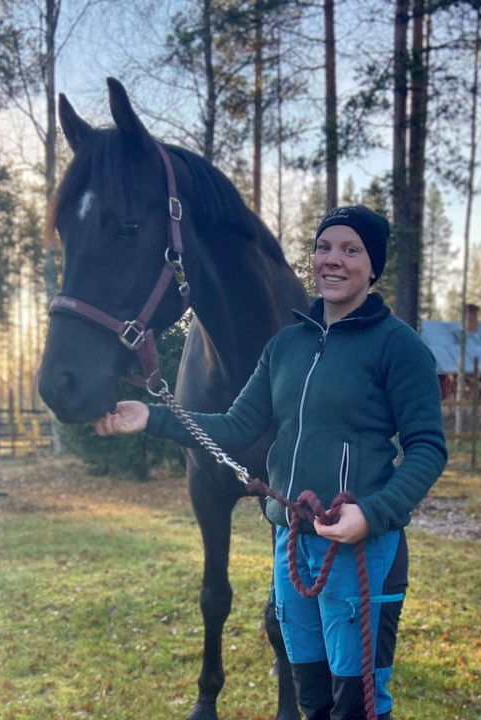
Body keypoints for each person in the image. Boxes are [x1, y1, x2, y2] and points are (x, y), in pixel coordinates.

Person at [93, 205, 447, 720]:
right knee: (312, 697)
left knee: (358, 704)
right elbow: (236, 426)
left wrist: (372, 513)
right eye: (324, 248)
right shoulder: (285, 346)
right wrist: (149, 417)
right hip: (292, 544)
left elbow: (428, 447)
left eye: (351, 250)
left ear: (373, 267)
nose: (333, 260)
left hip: (359, 550)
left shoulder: (400, 346)